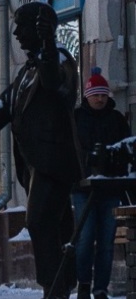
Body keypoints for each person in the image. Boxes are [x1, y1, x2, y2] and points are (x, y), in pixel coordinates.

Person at [0, 1, 80, 299]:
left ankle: (54, 288)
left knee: (39, 222)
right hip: (35, 165)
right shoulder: (27, 70)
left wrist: (49, 43)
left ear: (40, 28)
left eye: (22, 25)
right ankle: (64, 282)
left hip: (55, 163)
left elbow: (53, 84)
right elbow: (5, 103)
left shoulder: (57, 60)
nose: (17, 33)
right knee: (58, 228)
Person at [73, 68, 130, 299]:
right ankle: (84, 284)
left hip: (110, 187)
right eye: (96, 95)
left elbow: (126, 147)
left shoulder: (116, 119)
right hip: (83, 187)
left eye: (103, 95)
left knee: (106, 241)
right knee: (85, 239)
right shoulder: (76, 119)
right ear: (87, 96)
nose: (100, 99)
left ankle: (100, 289)